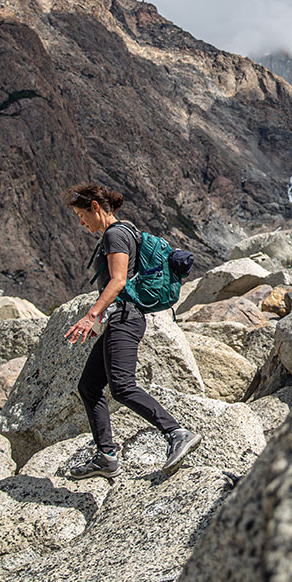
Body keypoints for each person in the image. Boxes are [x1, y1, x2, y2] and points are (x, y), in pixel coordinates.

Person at [62, 183, 200, 479]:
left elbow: (119, 281)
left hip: (125, 317)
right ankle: (106, 456)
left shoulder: (115, 234)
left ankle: (176, 433)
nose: (80, 222)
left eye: (81, 215)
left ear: (95, 207)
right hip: (121, 318)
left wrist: (90, 316)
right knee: (88, 386)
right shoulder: (123, 231)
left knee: (122, 387)